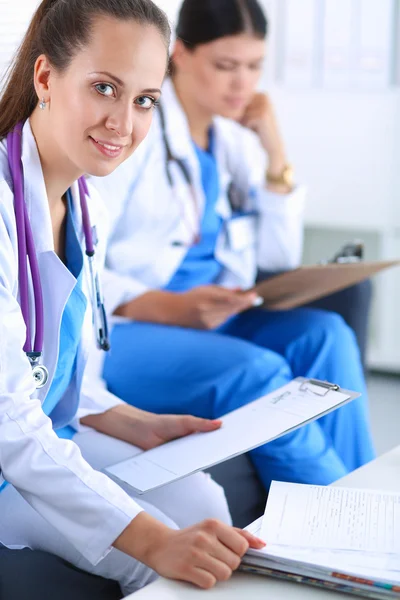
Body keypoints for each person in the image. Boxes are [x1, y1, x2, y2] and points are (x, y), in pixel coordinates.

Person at [0, 0, 266, 595]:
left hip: (43, 436)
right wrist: (151, 541)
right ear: (45, 77)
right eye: (103, 88)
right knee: (166, 560)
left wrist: (134, 422)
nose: (124, 122)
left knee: (203, 502)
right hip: (6, 461)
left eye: (144, 99)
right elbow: (8, 419)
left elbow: (56, 369)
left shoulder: (78, 200)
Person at [94, 0, 376, 490]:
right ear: (178, 54)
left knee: (325, 335)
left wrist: (276, 153)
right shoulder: (133, 131)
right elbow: (80, 263)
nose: (242, 84)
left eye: (253, 67)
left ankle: (363, 498)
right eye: (225, 66)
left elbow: (276, 258)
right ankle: (332, 525)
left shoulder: (234, 140)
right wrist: (172, 307)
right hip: (127, 326)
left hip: (214, 317)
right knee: (258, 370)